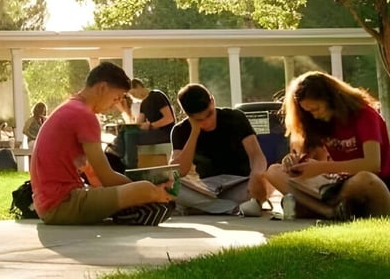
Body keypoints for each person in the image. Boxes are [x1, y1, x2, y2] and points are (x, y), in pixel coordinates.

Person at [30, 62, 174, 225]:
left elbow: (93, 174)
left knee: (142, 192)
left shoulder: (71, 107)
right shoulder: (85, 115)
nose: (115, 105)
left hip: (47, 205)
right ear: (102, 88)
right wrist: (149, 191)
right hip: (64, 203)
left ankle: (136, 208)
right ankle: (137, 209)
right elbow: (106, 176)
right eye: (116, 98)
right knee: (147, 189)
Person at [265, 71, 390, 220]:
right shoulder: (318, 123)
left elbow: (372, 164)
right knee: (274, 171)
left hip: (373, 183)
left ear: (331, 99)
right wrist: (294, 163)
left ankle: (311, 207)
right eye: (308, 111)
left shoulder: (365, 115)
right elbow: (309, 159)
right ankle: (328, 212)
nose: (314, 115)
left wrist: (321, 167)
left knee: (365, 179)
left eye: (316, 109)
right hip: (336, 184)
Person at [170, 83, 269, 214]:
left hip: (240, 182)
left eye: (209, 114)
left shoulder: (235, 117)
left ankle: (206, 207)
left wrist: (256, 175)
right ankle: (233, 209)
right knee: (171, 186)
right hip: (207, 187)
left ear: (212, 101)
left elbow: (256, 155)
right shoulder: (180, 130)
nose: (206, 122)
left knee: (266, 180)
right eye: (199, 120)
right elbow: (179, 172)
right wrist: (194, 132)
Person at [109, 78, 176, 169]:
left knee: (130, 135)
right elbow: (137, 125)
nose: (133, 96)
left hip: (165, 133)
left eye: (133, 93)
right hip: (153, 132)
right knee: (125, 131)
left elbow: (169, 119)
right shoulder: (143, 104)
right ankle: (115, 160)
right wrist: (124, 117)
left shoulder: (156, 96)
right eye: (131, 95)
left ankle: (130, 166)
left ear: (139, 87)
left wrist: (151, 126)